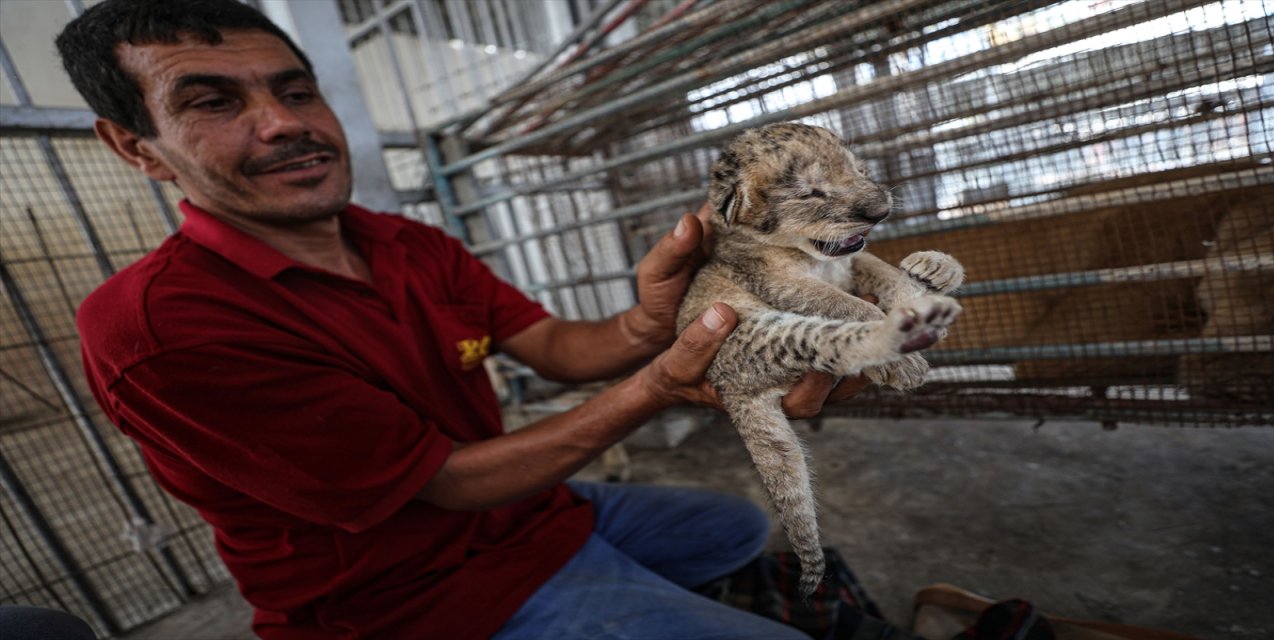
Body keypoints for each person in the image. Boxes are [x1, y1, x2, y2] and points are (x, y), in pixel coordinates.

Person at [56, 1, 868, 637]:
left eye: (294, 90)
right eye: (213, 102)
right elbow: (442, 483)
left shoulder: (403, 241)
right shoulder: (159, 327)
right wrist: (660, 383)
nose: (282, 122)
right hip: (412, 597)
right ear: (136, 147)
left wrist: (664, 318)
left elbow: (555, 348)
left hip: (527, 514)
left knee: (731, 527)